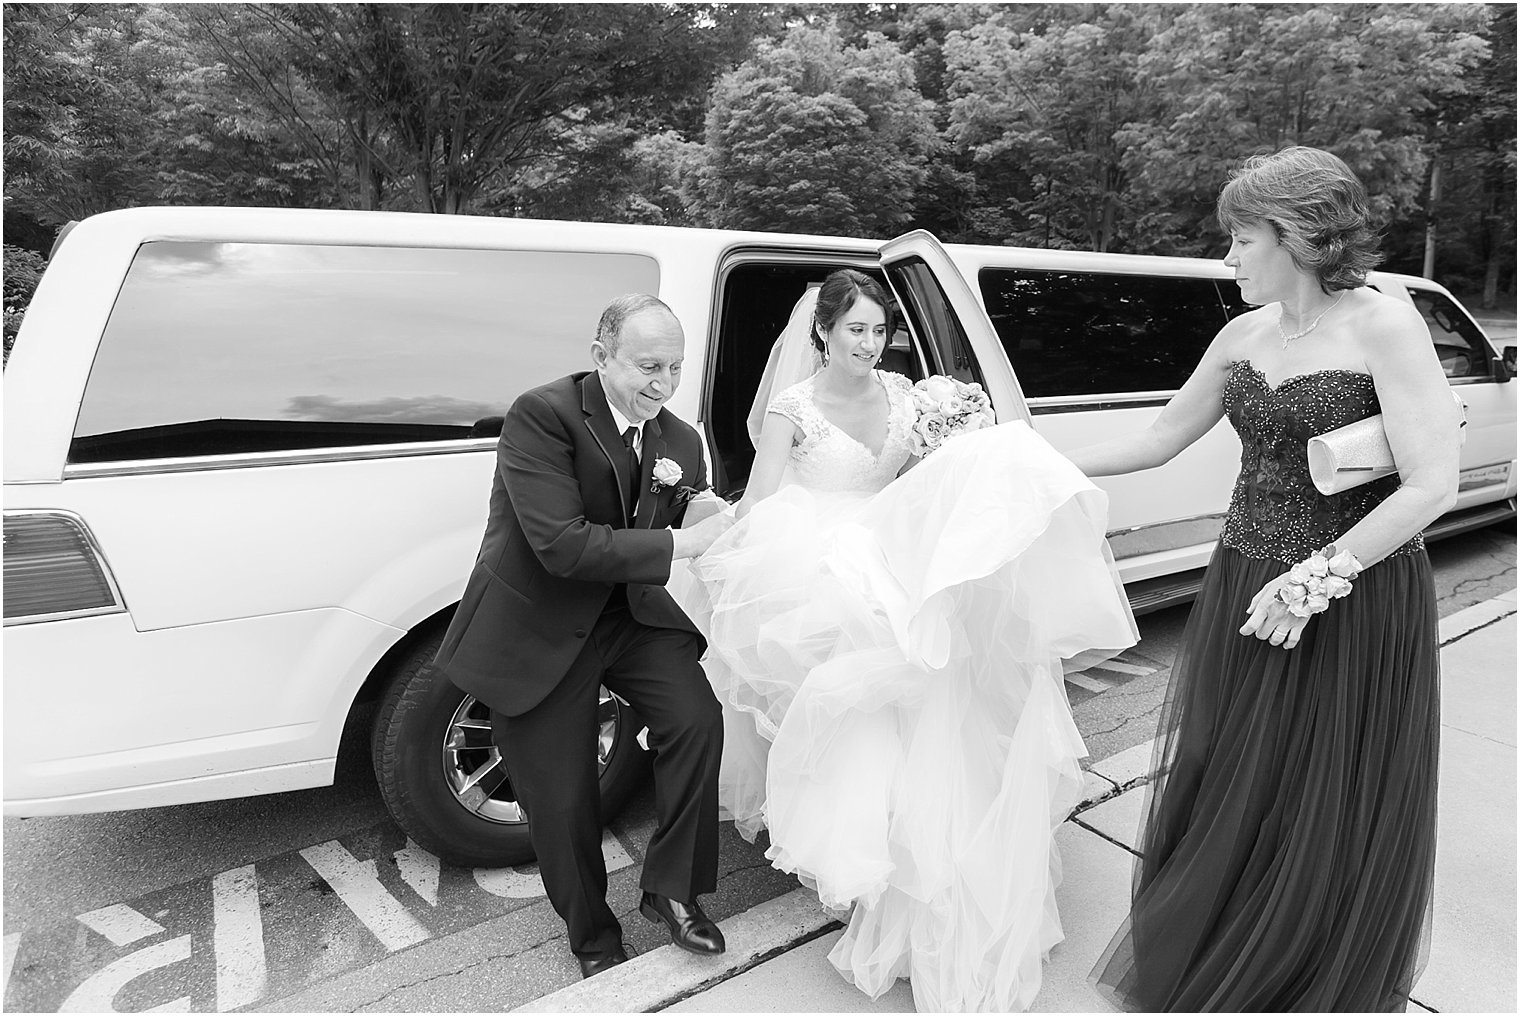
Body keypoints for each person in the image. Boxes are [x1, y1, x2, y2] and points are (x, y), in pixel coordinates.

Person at [669, 269, 1140, 1011]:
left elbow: (930, 477)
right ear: (822, 332)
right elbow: (762, 498)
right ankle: (871, 863)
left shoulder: (908, 395)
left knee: (931, 698)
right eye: (854, 328)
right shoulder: (794, 406)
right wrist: (704, 545)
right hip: (818, 556)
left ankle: (922, 858)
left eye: (879, 330)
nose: (868, 342)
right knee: (859, 708)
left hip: (892, 546)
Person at [1076, 147, 1460, 1011]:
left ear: (1296, 234)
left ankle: (1304, 974)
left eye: (1240, 238)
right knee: (1234, 771)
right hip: (1243, 574)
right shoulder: (1241, 334)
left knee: (1324, 784)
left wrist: (1315, 578)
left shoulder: (1385, 324)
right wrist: (1025, 457)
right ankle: (1225, 952)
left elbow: (1433, 483)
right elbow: (1159, 438)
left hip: (1354, 589)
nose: (1229, 257)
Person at [433, 294, 736, 979]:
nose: (663, 383)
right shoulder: (543, 417)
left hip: (629, 616)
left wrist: (710, 514)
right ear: (601, 357)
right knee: (563, 797)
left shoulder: (681, 441)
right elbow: (561, 547)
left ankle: (673, 890)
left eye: (676, 367)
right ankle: (594, 940)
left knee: (697, 722)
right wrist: (680, 541)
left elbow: (689, 507)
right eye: (647, 366)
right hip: (538, 622)